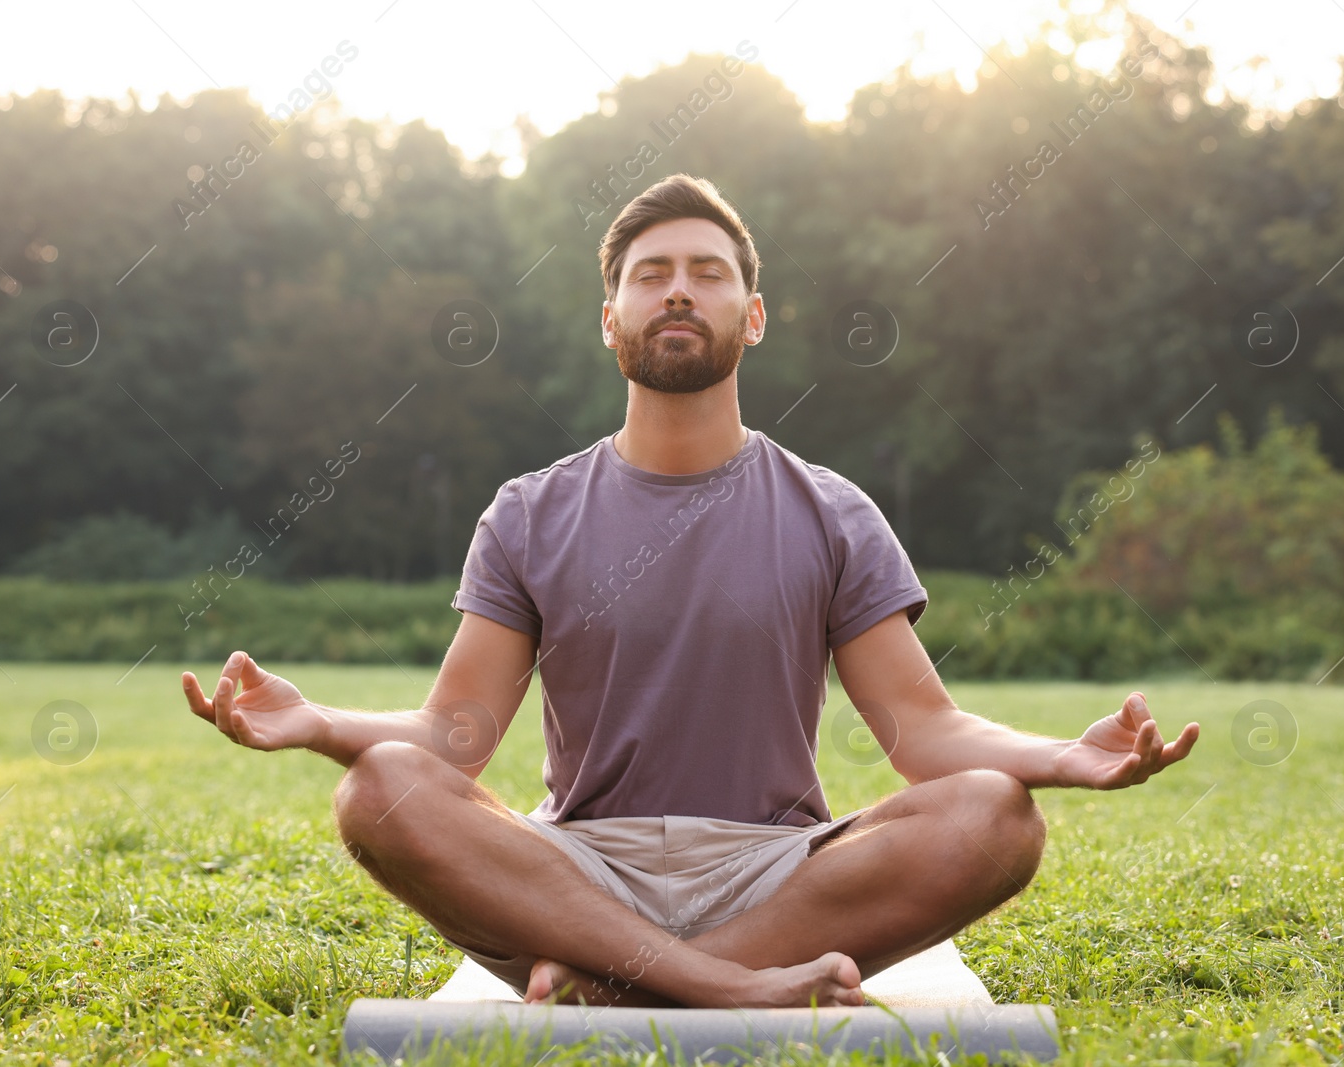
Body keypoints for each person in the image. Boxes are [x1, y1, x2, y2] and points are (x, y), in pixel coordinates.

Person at [181, 173, 1199, 1011]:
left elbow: (926, 734)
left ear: (749, 316)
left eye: (707, 274)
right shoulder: (529, 511)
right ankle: (729, 987)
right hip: (576, 875)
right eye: (650, 274)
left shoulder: (833, 510)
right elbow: (454, 738)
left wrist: (1060, 756)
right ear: (610, 316)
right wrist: (316, 722)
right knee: (379, 787)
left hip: (782, 872)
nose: (678, 291)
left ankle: (632, 990)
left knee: (995, 815)